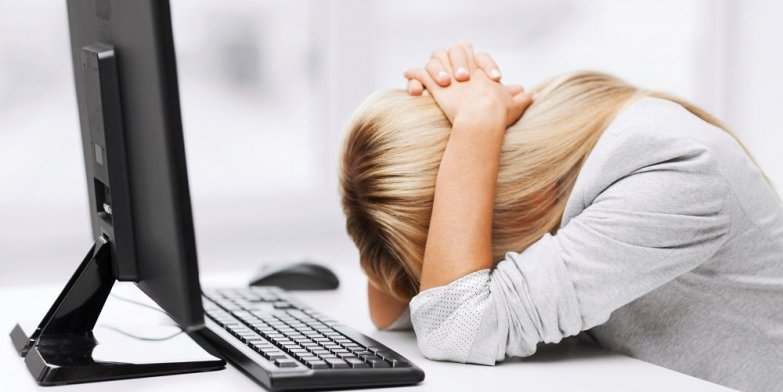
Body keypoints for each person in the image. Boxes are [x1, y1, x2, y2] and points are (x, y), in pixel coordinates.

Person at [338, 43, 783, 392]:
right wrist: (436, 141)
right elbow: (395, 309)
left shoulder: (670, 169)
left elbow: (453, 328)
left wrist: (473, 128)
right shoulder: (551, 147)